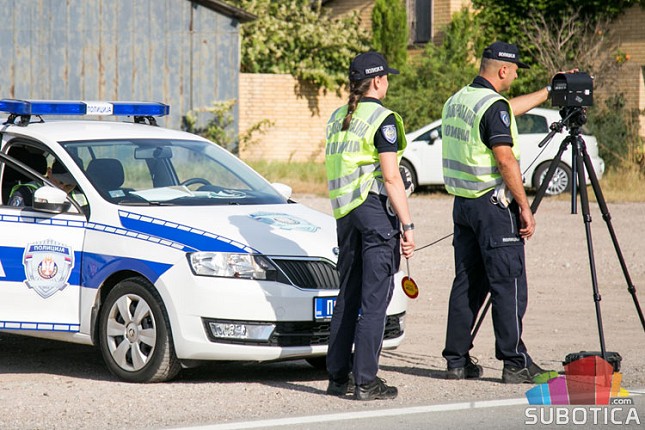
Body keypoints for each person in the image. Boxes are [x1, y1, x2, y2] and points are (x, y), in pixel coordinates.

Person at [441, 41, 558, 384]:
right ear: (503, 69)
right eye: (515, 70)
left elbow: (506, 108)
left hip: (464, 204)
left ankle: (456, 361)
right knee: (508, 283)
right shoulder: (492, 105)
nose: (516, 75)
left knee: (467, 282)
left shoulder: (459, 99)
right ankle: (514, 361)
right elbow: (505, 159)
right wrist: (524, 206)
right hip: (493, 207)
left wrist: (548, 91)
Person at [324, 51, 415, 400]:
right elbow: (391, 178)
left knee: (348, 295)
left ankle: (338, 377)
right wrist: (407, 224)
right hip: (374, 211)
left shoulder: (337, 117)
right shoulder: (383, 119)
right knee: (374, 300)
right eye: (386, 77)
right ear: (377, 80)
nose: (388, 82)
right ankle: (365, 380)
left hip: (345, 213)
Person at [9, 159, 78, 207]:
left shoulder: (80, 196)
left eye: (69, 185)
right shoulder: (26, 192)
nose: (62, 187)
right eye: (60, 182)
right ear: (49, 172)